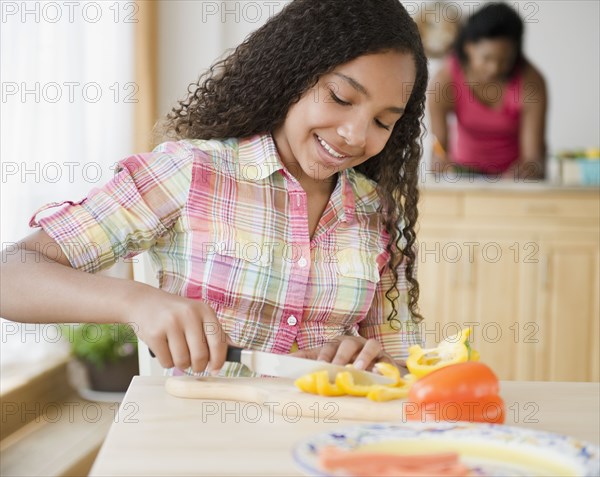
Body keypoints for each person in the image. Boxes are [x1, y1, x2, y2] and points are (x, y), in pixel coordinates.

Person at [0, 0, 428, 378]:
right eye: (340, 97)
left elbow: (403, 368)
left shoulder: (378, 213)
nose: (356, 134)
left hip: (319, 449)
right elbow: (12, 273)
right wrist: (137, 302)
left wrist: (369, 364)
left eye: (382, 122)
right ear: (292, 75)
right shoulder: (191, 172)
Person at [428, 3, 547, 179]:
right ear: (469, 47)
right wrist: (439, 159)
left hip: (513, 182)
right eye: (487, 58)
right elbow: (439, 147)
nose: (495, 68)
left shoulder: (531, 83)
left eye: (505, 60)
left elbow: (533, 158)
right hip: (464, 177)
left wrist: (527, 171)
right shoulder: (444, 81)